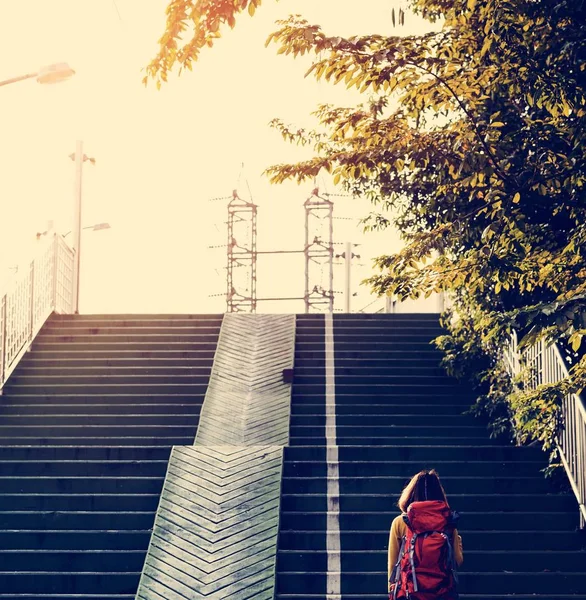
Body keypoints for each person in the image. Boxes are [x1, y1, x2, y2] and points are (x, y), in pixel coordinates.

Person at [388, 470, 463, 599]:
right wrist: (458, 541)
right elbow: (457, 560)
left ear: (410, 494)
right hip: (441, 592)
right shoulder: (447, 521)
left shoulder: (400, 522)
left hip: (410, 593)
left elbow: (393, 566)